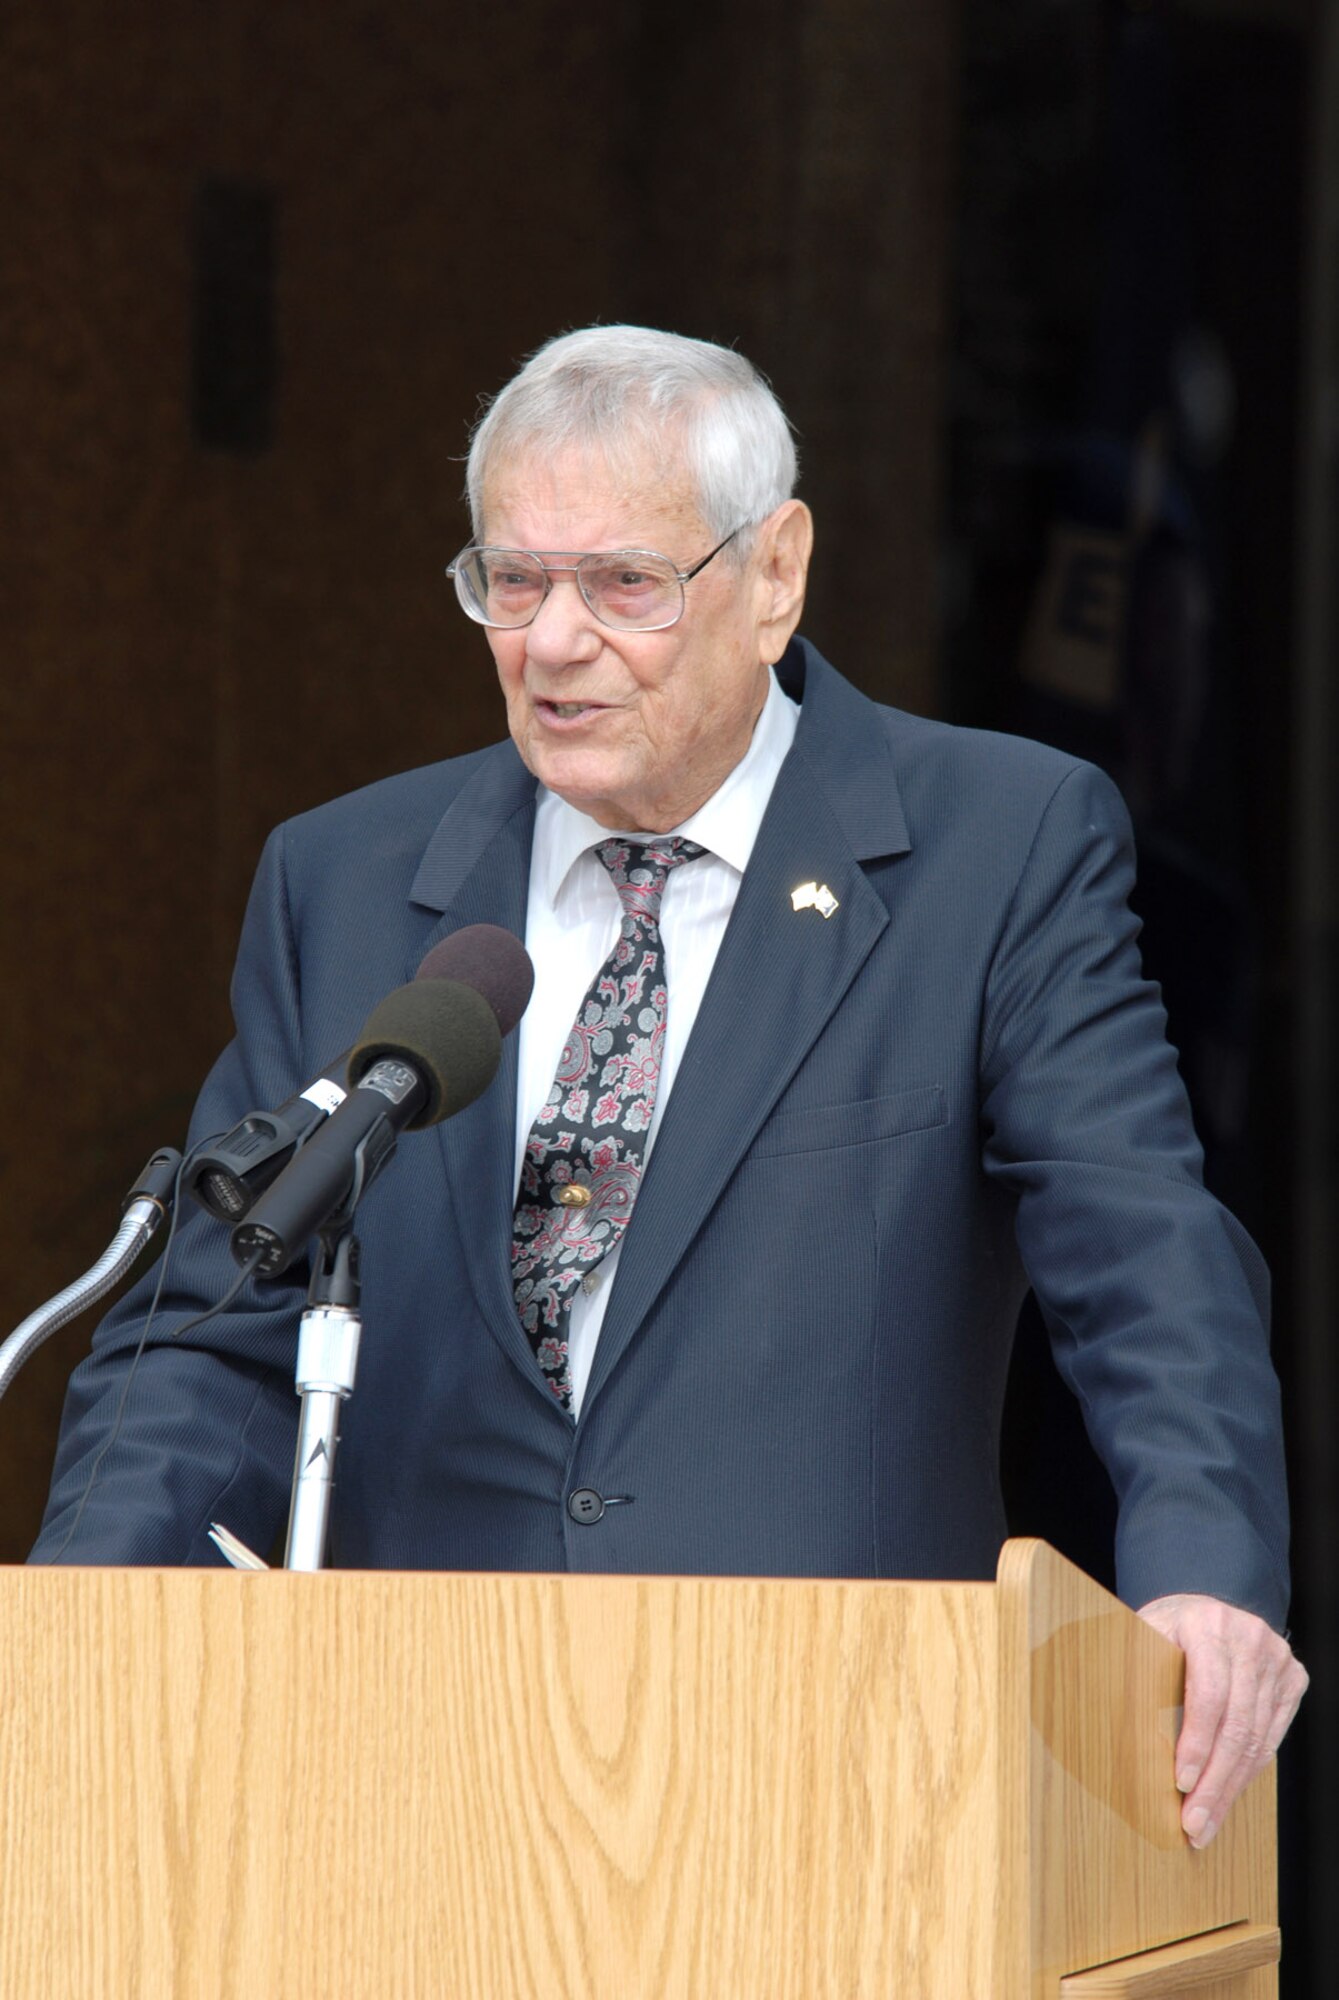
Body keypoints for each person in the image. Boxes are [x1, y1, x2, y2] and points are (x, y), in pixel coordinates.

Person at [32, 325, 1305, 1849]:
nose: (553, 641)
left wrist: (1207, 1576)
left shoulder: (1000, 846)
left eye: (622, 585)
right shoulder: (347, 881)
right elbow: (208, 1330)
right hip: (411, 1784)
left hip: (844, 1773)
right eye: (512, 581)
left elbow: (1141, 1251)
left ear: (776, 574)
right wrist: (68, 1651)